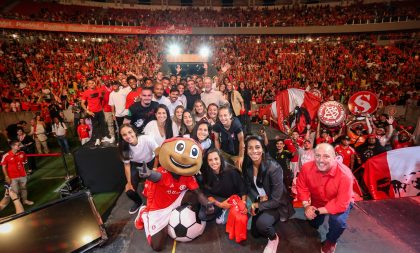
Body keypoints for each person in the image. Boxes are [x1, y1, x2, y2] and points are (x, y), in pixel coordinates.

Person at [296, 143, 354, 253]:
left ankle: (331, 242)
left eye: (326, 156)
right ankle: (313, 224)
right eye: (317, 156)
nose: (321, 160)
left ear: (334, 157)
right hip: (317, 199)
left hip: (339, 201)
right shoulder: (306, 168)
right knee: (312, 221)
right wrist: (307, 206)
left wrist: (317, 211)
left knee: (338, 222)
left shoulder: (345, 175)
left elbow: (341, 204)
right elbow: (301, 187)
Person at [242, 135, 295, 253]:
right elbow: (249, 186)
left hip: (277, 203)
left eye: (257, 147)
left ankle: (274, 239)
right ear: (246, 150)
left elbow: (276, 200)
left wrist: (256, 205)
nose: (254, 151)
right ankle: (267, 220)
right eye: (250, 148)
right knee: (255, 234)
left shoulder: (273, 168)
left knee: (262, 224)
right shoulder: (248, 165)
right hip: (262, 200)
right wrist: (258, 198)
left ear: (263, 148)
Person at [119, 124, 159, 214]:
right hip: (137, 164)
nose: (128, 136)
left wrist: (155, 168)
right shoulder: (123, 147)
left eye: (130, 132)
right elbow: (127, 165)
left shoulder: (146, 139)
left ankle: (157, 202)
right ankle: (138, 202)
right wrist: (129, 182)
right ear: (121, 137)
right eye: (124, 135)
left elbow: (158, 154)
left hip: (151, 162)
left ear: (135, 132)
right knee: (129, 191)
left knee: (156, 182)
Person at [200, 148, 247, 224]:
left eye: (216, 159)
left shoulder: (231, 171)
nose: (214, 162)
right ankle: (223, 210)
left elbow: (243, 190)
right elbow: (207, 194)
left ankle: (227, 211)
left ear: (220, 159)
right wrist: (220, 205)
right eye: (210, 160)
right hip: (218, 199)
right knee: (202, 215)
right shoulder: (206, 174)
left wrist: (243, 203)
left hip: (233, 198)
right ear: (207, 162)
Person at [1, 141, 34, 206]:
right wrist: (6, 176)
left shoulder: (22, 153)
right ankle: (18, 204)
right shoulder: (6, 155)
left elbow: (25, 163)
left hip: (22, 175)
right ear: (12, 146)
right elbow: (4, 167)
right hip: (12, 176)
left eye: (19, 145)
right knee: (15, 191)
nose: (20, 146)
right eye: (18, 145)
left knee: (24, 188)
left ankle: (25, 200)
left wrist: (27, 172)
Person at [81, 77, 111, 146]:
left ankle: (104, 137)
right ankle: (97, 139)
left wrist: (99, 81)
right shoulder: (86, 93)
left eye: (92, 83)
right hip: (92, 112)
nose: (91, 84)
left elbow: (103, 94)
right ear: (87, 84)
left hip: (100, 110)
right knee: (95, 126)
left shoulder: (98, 90)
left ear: (94, 83)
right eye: (89, 83)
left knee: (103, 124)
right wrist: (87, 111)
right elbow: (82, 103)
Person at [213, 105, 245, 169]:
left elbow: (241, 140)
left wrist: (241, 156)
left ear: (230, 115)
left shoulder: (236, 125)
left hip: (237, 152)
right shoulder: (217, 125)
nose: (223, 118)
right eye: (220, 116)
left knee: (239, 169)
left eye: (225, 115)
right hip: (224, 151)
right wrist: (219, 153)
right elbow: (216, 139)